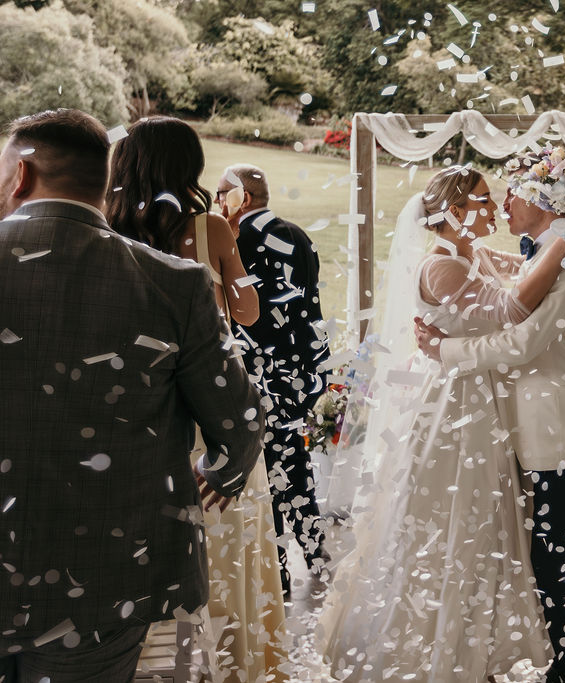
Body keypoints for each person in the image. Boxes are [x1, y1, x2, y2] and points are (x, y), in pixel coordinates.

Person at [0, 109, 264, 681]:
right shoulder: (174, 283)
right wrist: (221, 473)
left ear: (20, 177)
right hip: (107, 577)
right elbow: (241, 421)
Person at [319, 166, 565, 681]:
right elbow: (513, 305)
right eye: (483, 200)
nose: (494, 207)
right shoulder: (441, 268)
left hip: (476, 398)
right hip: (454, 411)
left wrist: (551, 242)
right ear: (455, 211)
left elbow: (522, 268)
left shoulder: (469, 254)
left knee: (479, 522)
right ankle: (436, 653)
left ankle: (469, 648)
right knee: (451, 522)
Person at [414, 162, 565, 683]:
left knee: (557, 565)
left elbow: (523, 342)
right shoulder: (548, 251)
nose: (503, 204)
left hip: (563, 430)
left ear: (545, 202)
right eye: (492, 196)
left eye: (511, 195)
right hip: (537, 429)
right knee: (546, 562)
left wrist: (443, 348)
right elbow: (496, 284)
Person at [106, 117, 287, 683]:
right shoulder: (210, 227)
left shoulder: (110, 224)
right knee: (225, 537)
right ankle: (225, 661)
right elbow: (250, 313)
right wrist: (228, 247)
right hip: (209, 401)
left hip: (142, 402)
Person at [216, 164, 330, 595]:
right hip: (300, 372)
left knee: (266, 474)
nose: (215, 200)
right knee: (292, 465)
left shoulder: (237, 241)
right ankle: (314, 551)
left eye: (220, 192)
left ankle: (277, 571)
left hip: (259, 376)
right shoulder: (298, 234)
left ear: (240, 198)